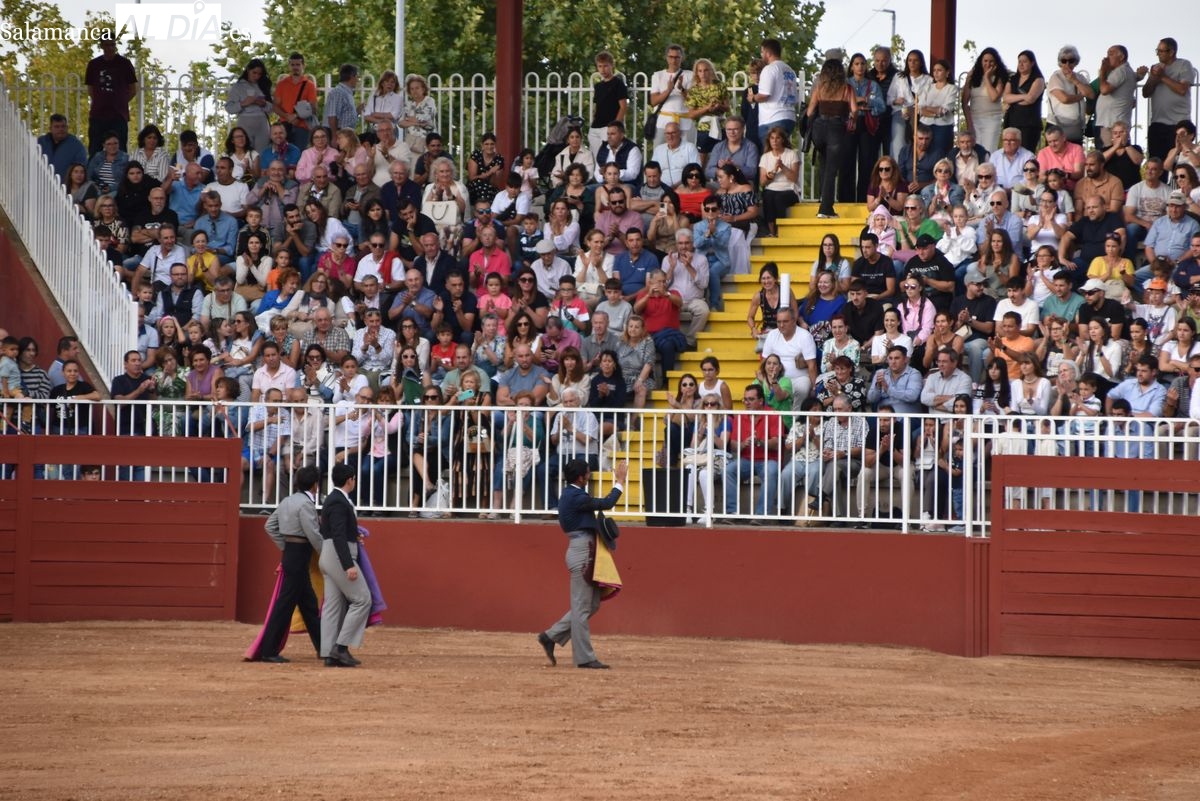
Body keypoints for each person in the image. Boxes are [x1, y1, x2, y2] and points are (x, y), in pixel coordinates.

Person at [537, 457, 627, 670]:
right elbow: (606, 503)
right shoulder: (575, 496)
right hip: (583, 551)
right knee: (580, 607)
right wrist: (620, 481)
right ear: (580, 477)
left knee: (591, 604)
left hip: (586, 549)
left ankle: (550, 636)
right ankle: (584, 658)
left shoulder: (572, 494)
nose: (590, 475)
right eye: (588, 473)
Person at [248, 465, 324, 663]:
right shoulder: (306, 505)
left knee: (308, 605)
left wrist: (285, 547)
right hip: (299, 556)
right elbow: (313, 534)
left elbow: (269, 526)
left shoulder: (287, 501)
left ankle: (324, 648)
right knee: (284, 606)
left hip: (292, 555)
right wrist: (326, 555)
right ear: (316, 485)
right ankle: (268, 650)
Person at [319, 462, 370, 668]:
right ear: (350, 480)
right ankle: (340, 648)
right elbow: (338, 534)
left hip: (329, 553)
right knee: (362, 600)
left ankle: (329, 653)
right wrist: (348, 564)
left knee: (333, 605)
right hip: (339, 556)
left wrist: (354, 534)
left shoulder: (334, 499)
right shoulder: (339, 502)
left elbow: (339, 530)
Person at [805, 58, 856, 219]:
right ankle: (825, 208)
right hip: (836, 129)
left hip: (818, 130)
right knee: (831, 170)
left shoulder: (820, 88)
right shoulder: (846, 89)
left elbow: (809, 111)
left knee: (824, 163)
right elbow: (854, 110)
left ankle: (822, 199)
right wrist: (850, 118)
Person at [1144, 38, 1195, 161]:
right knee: (1156, 162)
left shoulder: (1184, 65)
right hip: (1157, 123)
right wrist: (1153, 78)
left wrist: (1162, 77)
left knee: (1178, 161)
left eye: (1161, 51)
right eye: (1157, 51)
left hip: (1178, 123)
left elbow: (1182, 89)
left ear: (1171, 52)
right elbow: (1146, 93)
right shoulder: (1156, 67)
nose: (1158, 54)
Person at [961, 47, 1008, 151]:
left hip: (992, 119)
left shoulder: (999, 77)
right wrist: (970, 124)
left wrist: (987, 78)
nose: (988, 64)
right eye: (985, 61)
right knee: (974, 151)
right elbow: (964, 102)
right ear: (981, 62)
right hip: (974, 119)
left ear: (996, 63)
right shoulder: (973, 77)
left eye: (991, 61)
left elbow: (994, 97)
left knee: (988, 151)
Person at [754, 38, 798, 144]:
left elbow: (765, 95)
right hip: (789, 117)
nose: (761, 54)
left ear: (768, 53)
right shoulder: (789, 70)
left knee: (771, 156)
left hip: (772, 118)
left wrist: (753, 98)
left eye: (762, 51)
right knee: (782, 153)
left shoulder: (770, 69)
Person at [588, 51, 628, 157]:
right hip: (596, 126)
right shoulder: (598, 86)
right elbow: (597, 106)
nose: (603, 69)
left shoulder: (618, 84)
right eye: (600, 66)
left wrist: (616, 125)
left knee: (609, 157)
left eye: (605, 66)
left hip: (609, 126)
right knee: (596, 157)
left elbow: (623, 107)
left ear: (611, 65)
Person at [38, 114, 88, 183]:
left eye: (63, 126)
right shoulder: (40, 142)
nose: (60, 129)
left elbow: (81, 168)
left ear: (67, 128)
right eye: (57, 127)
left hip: (65, 188)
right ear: (50, 129)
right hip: (40, 184)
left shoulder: (76, 146)